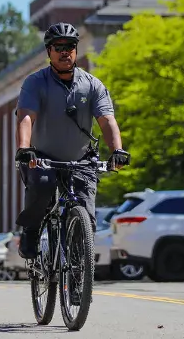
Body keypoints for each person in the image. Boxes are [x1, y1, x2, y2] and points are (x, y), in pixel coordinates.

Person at [13, 22, 131, 259]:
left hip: (80, 160)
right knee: (43, 187)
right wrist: (25, 148)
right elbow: (26, 117)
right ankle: (32, 230)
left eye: (70, 46)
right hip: (42, 158)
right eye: (58, 47)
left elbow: (107, 120)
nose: (65, 51)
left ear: (76, 50)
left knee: (86, 212)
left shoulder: (92, 85)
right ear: (49, 52)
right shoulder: (35, 82)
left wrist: (117, 149)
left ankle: (78, 273)